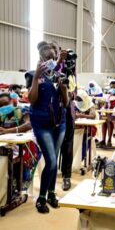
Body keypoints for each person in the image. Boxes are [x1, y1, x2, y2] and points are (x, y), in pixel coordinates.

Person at [28, 41, 69, 213]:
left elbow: (66, 103)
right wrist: (37, 77)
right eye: (48, 58)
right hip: (41, 123)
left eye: (54, 58)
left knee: (54, 162)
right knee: (51, 161)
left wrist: (63, 88)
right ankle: (42, 198)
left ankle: (52, 194)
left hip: (59, 123)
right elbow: (32, 99)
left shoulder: (58, 75)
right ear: (41, 58)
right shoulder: (32, 75)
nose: (51, 61)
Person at [49, 41, 77, 191]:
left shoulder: (69, 67)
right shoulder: (46, 67)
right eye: (53, 51)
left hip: (67, 112)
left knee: (67, 146)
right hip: (52, 113)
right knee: (52, 147)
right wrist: (58, 63)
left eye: (57, 50)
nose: (56, 53)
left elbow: (74, 89)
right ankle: (50, 178)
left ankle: (66, 177)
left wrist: (69, 93)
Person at [97, 81, 115, 148]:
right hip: (109, 111)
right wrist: (105, 106)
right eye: (111, 87)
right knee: (104, 123)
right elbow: (105, 103)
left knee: (109, 122)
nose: (113, 88)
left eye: (114, 87)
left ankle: (109, 140)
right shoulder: (108, 94)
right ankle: (103, 140)